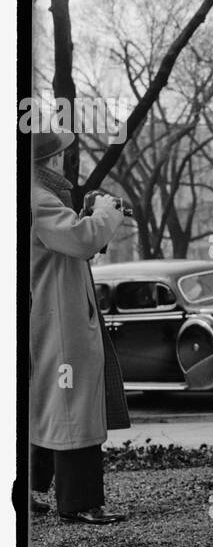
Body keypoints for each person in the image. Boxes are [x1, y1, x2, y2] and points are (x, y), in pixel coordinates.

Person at [30, 130, 132, 523]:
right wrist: (107, 212)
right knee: (74, 406)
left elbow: (70, 241)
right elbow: (80, 240)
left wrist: (93, 217)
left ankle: (31, 489)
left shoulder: (42, 198)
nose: (66, 163)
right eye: (61, 156)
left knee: (51, 404)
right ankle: (80, 503)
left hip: (55, 317)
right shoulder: (41, 200)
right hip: (62, 321)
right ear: (50, 162)